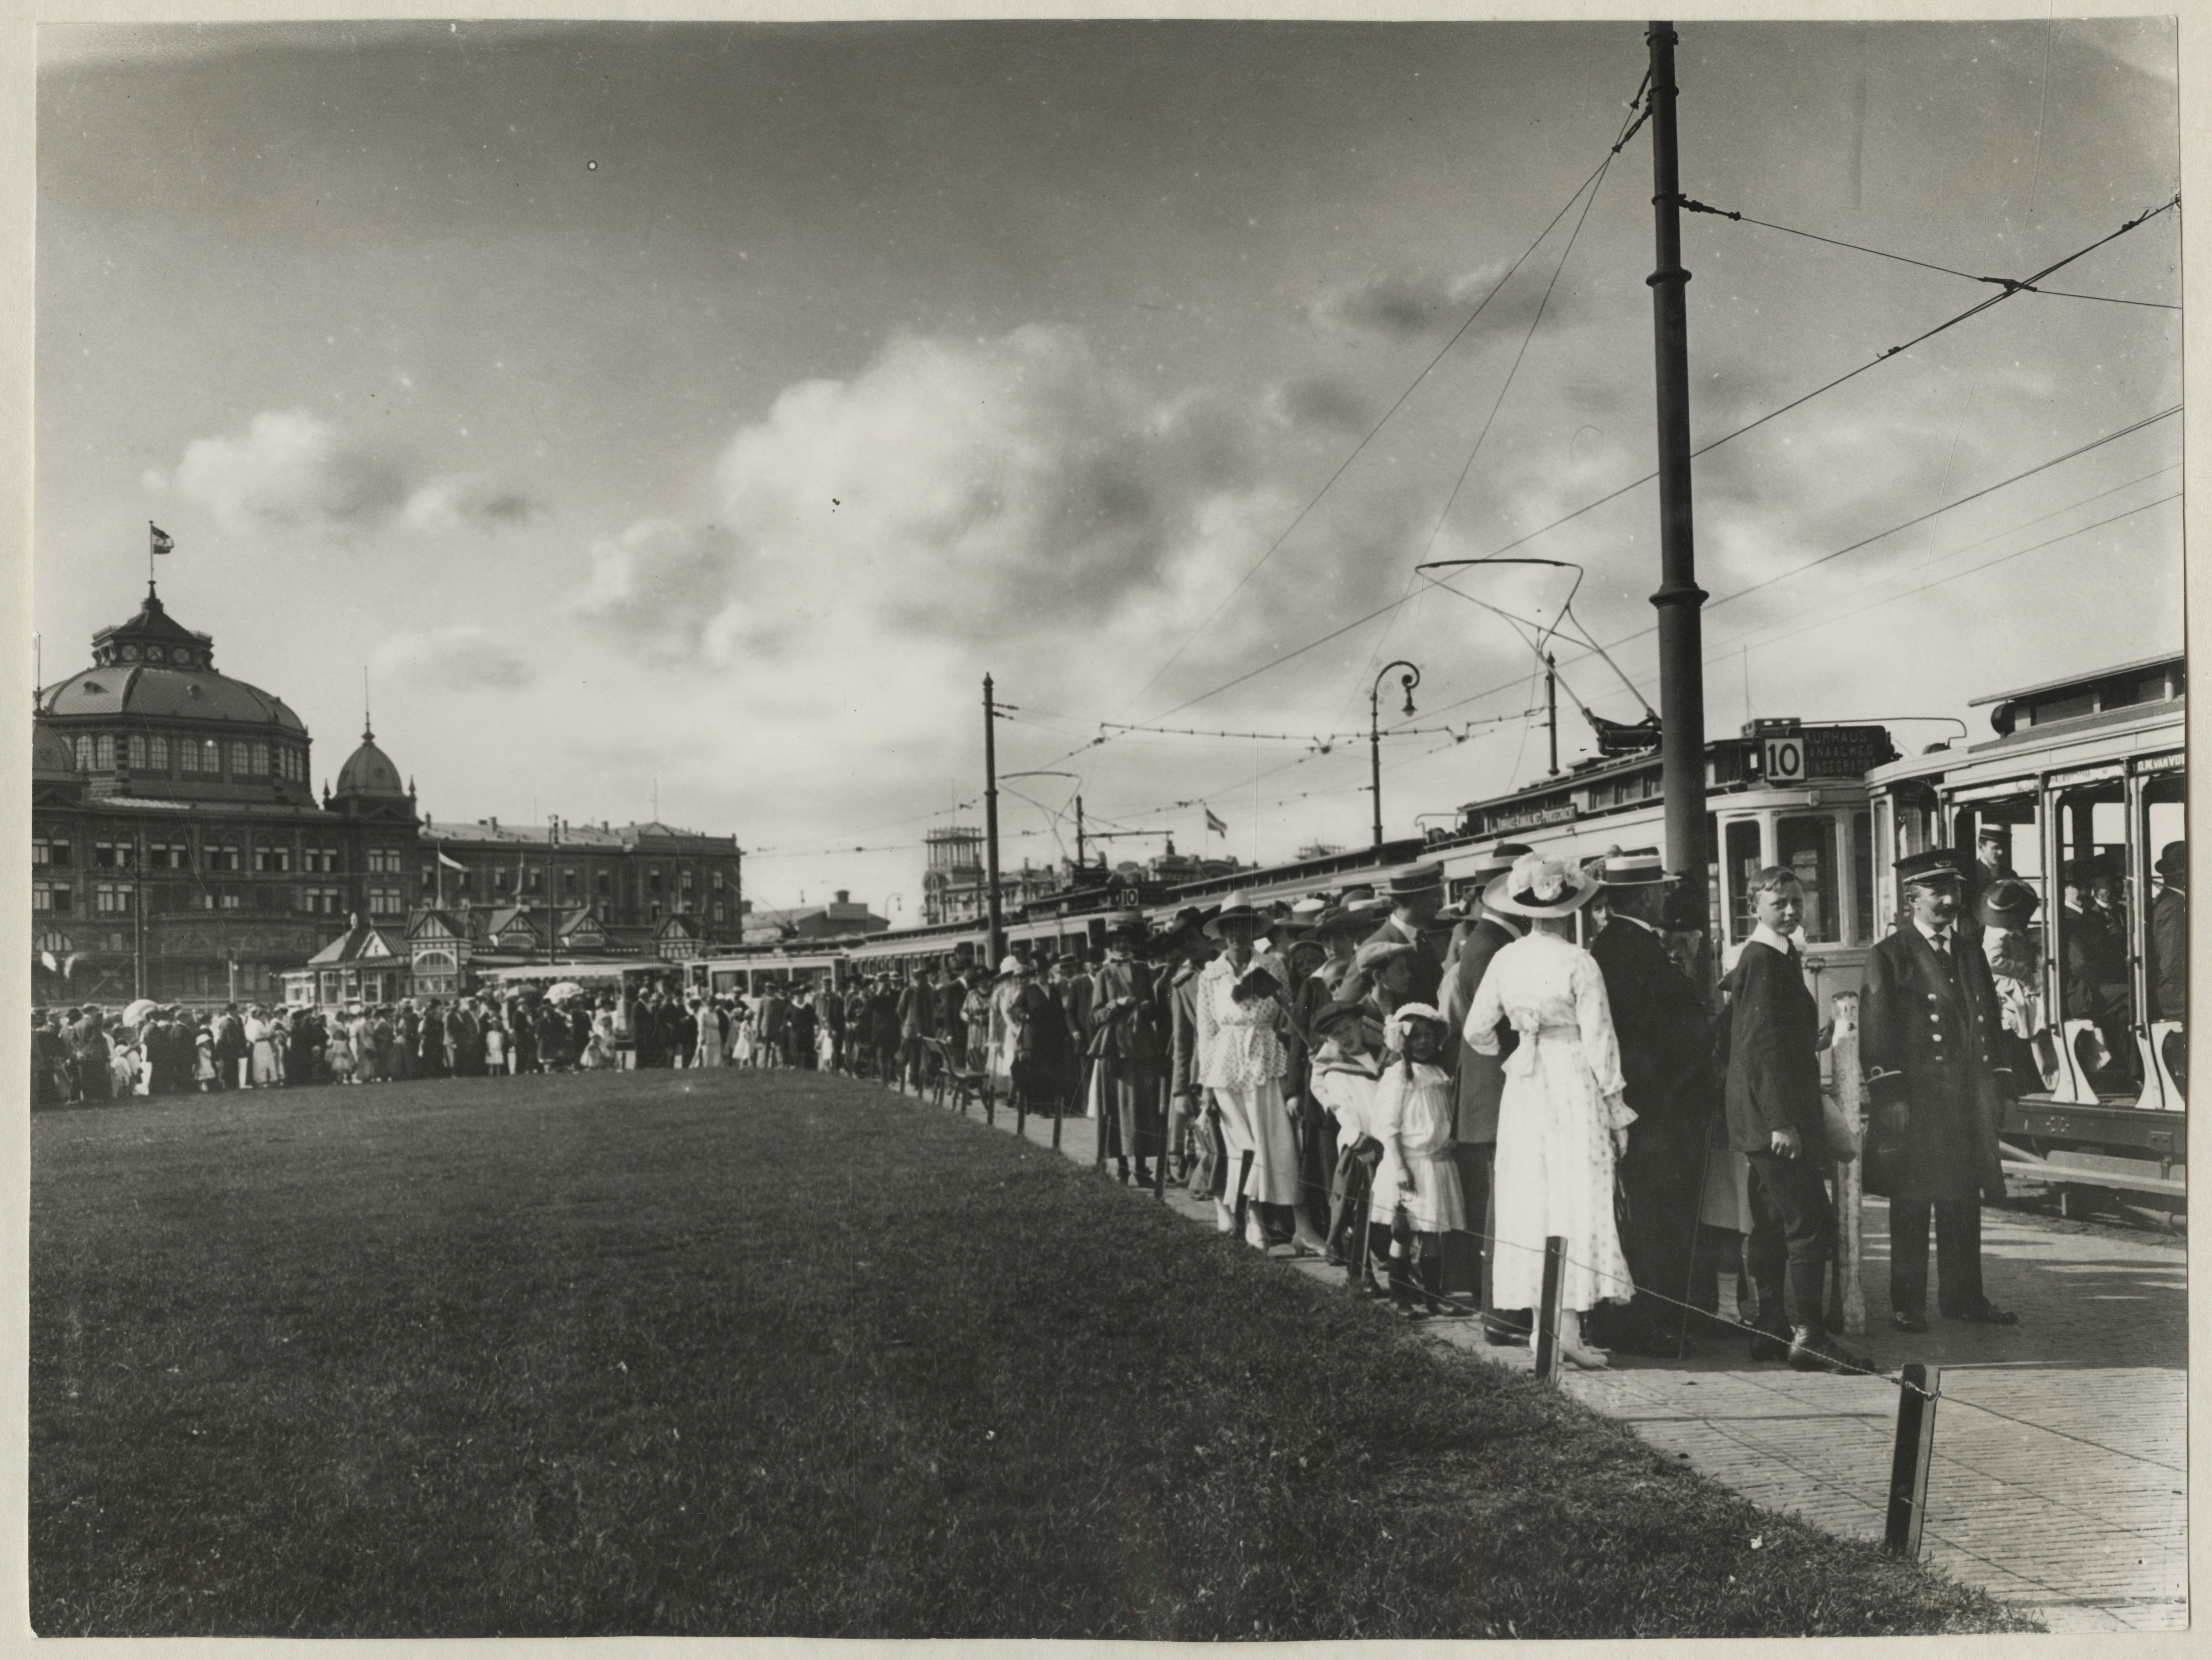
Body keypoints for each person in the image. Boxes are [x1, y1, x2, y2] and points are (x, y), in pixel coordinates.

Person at [1463, 850, 1634, 1371]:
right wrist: (1616, 1107)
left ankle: (1546, 1330)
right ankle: (1567, 1331)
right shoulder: (1579, 961)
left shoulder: (1506, 959)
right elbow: (1601, 1041)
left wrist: (1518, 1044)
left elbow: (1475, 1030)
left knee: (1530, 1199)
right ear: (1570, 906)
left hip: (1526, 1084)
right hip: (1571, 1078)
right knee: (1575, 1196)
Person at [1723, 865, 1871, 1372]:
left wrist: (1818, 1038)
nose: (1790, 910)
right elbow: (1759, 1050)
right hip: (1776, 1120)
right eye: (1778, 903)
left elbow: (1772, 1037)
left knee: (1771, 1222)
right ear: (1754, 908)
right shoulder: (1763, 959)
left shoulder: (1775, 955)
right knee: (1810, 1222)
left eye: (1796, 901)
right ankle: (1810, 1338)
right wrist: (1780, 1123)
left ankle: (1770, 1327)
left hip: (1766, 1115)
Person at [1862, 849, 2016, 1333]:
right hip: (1918, 1102)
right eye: (1937, 892)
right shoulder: (1890, 954)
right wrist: (1890, 1099)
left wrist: (2000, 1084)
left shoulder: (1968, 949)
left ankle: (1964, 1298)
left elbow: (1989, 1021)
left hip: (1966, 1100)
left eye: (1953, 890)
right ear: (1912, 897)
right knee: (1912, 1202)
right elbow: (1876, 1033)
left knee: (1962, 1201)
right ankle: (1907, 1303)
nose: (1949, 900)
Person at [1588, 848, 1718, 1357]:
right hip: (1660, 1110)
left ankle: (1665, 1317)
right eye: (1660, 890)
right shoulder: (1635, 949)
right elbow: (1660, 1033)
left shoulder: (1614, 944)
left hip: (1649, 1106)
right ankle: (1654, 1323)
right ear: (1644, 896)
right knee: (1657, 1218)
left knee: (1651, 1215)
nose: (1666, 898)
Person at [1196, 894, 1329, 1255]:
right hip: (1225, 1065)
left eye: (1244, 928)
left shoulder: (1271, 965)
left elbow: (1288, 1014)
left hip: (1266, 1057)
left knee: (1279, 1143)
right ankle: (1254, 1219)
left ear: (1254, 931)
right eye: (1230, 929)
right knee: (1243, 1147)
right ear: (1223, 934)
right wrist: (1206, 1086)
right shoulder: (1211, 975)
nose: (1237, 935)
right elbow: (1206, 1032)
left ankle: (1303, 1227)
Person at [1438, 847, 1527, 1334]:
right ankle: (1502, 1313)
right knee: (1502, 1209)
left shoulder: (1484, 940)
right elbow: (1503, 1028)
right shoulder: (1493, 947)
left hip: (1486, 1098)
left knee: (1497, 1208)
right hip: (1498, 1096)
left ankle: (1500, 1309)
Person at [1370, 1004, 1464, 1318]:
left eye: (1428, 1035)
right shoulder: (1398, 1075)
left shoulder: (1437, 1074)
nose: (1423, 1042)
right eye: (1416, 1037)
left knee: (1432, 1232)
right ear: (1402, 1040)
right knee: (1404, 1231)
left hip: (1436, 1163)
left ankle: (1433, 1295)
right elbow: (1388, 1125)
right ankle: (1400, 1296)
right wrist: (1400, 1166)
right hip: (1410, 1164)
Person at [1090, 914, 1166, 1185]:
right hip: (1117, 1048)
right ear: (1111, 946)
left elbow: (1155, 1009)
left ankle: (1142, 1168)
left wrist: (1147, 1007)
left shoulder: (1144, 971)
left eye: (1126, 941)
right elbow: (1097, 1015)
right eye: (1117, 942)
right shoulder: (1104, 974)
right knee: (1119, 1109)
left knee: (1143, 1109)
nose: (1122, 946)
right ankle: (1122, 1167)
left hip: (1143, 1046)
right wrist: (1117, 1004)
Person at [1361, 864, 1448, 1009]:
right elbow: (1346, 1008)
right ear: (1417, 898)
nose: (1441, 904)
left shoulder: (1422, 939)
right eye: (1436, 895)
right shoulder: (1374, 947)